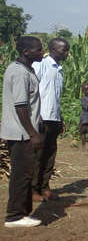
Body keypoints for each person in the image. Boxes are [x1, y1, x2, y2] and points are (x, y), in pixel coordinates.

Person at [2, 36, 45, 228]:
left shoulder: (27, 70)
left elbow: (28, 102)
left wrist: (39, 120)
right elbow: (20, 106)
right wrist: (32, 133)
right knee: (22, 175)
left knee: (26, 173)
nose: (41, 52)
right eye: (38, 49)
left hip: (24, 131)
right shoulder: (19, 72)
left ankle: (22, 213)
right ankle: (14, 216)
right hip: (21, 134)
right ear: (26, 51)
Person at [32, 36, 69, 201]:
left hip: (53, 118)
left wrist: (60, 118)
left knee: (50, 154)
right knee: (38, 156)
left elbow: (56, 97)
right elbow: (31, 90)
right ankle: (33, 190)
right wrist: (36, 113)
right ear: (53, 49)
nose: (67, 53)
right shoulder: (41, 65)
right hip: (41, 118)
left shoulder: (59, 70)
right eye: (64, 50)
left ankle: (44, 186)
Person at [77, 82, 88, 149]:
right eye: (86, 90)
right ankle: (83, 146)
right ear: (83, 91)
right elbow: (86, 107)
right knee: (83, 132)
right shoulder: (83, 98)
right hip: (84, 118)